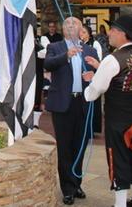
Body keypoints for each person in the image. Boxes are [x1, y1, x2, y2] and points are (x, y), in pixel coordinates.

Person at [83, 15, 132, 207]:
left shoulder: (113, 59)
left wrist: (88, 89)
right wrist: (99, 71)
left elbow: (97, 89)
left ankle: (120, 204)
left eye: (113, 30)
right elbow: (127, 81)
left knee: (117, 158)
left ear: (123, 34)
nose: (110, 33)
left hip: (118, 120)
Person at [44, 17, 99, 205]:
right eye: (67, 23)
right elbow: (48, 64)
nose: (70, 26)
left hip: (82, 103)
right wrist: (66, 55)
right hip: (62, 104)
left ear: (81, 29)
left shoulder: (90, 50)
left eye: (74, 23)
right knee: (65, 147)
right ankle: (67, 188)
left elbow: (100, 74)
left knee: (80, 146)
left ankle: (77, 184)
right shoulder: (55, 47)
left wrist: (94, 75)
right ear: (62, 28)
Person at [80, 24, 103, 134]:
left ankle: (92, 128)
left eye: (84, 32)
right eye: (81, 32)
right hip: (81, 79)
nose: (82, 34)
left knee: (92, 103)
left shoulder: (94, 44)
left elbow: (98, 61)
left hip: (92, 77)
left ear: (89, 34)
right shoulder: (77, 45)